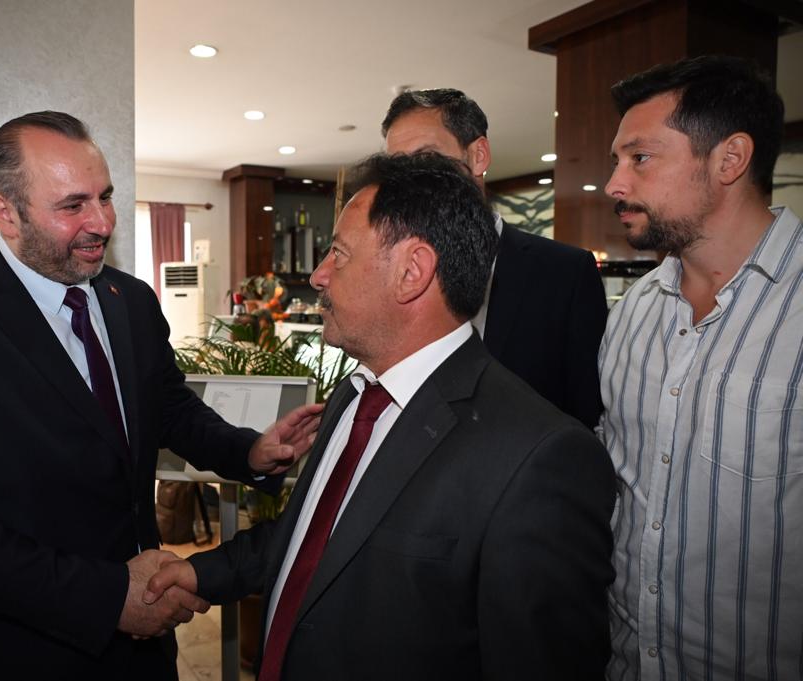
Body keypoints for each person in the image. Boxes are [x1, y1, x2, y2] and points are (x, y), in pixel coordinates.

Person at [0, 111, 322, 680]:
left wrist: (247, 452)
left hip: (143, 648)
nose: (102, 222)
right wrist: (107, 598)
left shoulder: (130, 300)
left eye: (105, 197)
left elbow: (167, 407)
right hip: (16, 652)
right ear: (4, 212)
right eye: (73, 205)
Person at [147, 153, 616, 680]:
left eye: (339, 254)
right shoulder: (355, 395)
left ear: (411, 273)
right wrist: (197, 572)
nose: (318, 275)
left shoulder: (539, 457)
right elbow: (311, 537)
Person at [600, 55, 801, 680]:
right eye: (617, 160)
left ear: (729, 159)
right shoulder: (633, 312)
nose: (613, 184)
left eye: (640, 158)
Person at [381, 89, 608, 428]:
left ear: (478, 155)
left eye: (427, 157)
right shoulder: (390, 273)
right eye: (398, 168)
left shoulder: (564, 274)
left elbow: (584, 414)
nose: (412, 180)